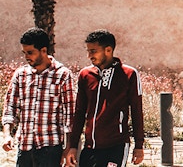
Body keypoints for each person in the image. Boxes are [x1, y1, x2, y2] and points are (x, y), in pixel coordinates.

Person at [63, 29, 144, 167]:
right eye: (88, 51)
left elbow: (137, 111)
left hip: (116, 146)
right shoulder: (85, 75)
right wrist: (73, 146)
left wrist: (139, 145)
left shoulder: (129, 74)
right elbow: (79, 112)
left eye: (93, 51)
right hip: (90, 148)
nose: (89, 55)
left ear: (108, 50)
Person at [2, 27, 74, 167]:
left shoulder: (62, 75)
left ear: (43, 50)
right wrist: (7, 135)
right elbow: (10, 108)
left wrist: (68, 149)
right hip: (25, 148)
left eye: (30, 52)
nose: (26, 57)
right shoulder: (20, 75)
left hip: (51, 149)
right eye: (24, 53)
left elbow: (70, 116)